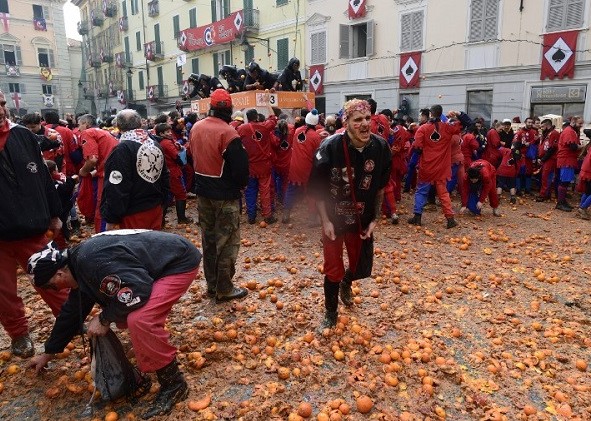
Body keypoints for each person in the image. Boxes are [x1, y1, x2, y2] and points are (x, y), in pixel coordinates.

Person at [26, 230, 201, 419]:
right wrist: (49, 352)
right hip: (157, 263)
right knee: (127, 315)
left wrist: (104, 319)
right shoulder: (78, 267)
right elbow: (71, 314)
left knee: (140, 319)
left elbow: (137, 291)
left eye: (50, 286)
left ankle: (174, 385)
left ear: (59, 274)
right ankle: (151, 348)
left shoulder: (91, 263)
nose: (53, 290)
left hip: (177, 263)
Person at [309, 99, 392, 329]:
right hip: (333, 219)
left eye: (367, 118)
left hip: (361, 219)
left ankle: (347, 283)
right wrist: (325, 221)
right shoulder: (329, 147)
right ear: (346, 123)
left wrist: (375, 218)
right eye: (358, 120)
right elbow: (318, 189)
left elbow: (380, 187)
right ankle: (331, 312)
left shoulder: (381, 147)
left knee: (361, 267)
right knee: (332, 268)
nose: (365, 124)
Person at [0, 90, 68, 357]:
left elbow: (42, 177)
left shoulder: (23, 135)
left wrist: (55, 213)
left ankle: (70, 321)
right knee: (4, 292)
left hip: (32, 228)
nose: (1, 110)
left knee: (53, 277)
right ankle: (19, 335)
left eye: (2, 104)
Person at [189, 89, 249, 302]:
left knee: (209, 240)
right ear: (229, 109)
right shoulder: (229, 133)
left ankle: (212, 285)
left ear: (211, 107)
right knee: (227, 242)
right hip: (224, 195)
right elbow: (241, 171)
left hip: (202, 192)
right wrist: (240, 186)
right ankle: (224, 288)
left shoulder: (196, 128)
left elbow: (191, 156)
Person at [101, 110, 170, 229]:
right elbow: (165, 176)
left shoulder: (122, 150)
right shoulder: (154, 143)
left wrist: (111, 218)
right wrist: (163, 202)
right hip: (155, 208)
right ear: (140, 123)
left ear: (118, 126)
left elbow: (117, 186)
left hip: (133, 212)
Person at [408, 105, 471, 228]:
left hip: (427, 166)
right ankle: (450, 219)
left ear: (430, 114)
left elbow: (417, 147)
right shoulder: (448, 128)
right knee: (443, 193)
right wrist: (458, 114)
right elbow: (468, 123)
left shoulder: (422, 129)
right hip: (442, 167)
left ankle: (417, 216)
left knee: (421, 191)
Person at [77, 114, 119, 232]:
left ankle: (102, 236)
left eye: (79, 125)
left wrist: (83, 171)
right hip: (115, 173)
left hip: (106, 176)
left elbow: (92, 159)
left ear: (85, 124)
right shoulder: (104, 132)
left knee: (102, 207)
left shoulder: (88, 133)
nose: (78, 128)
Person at [237, 108, 279, 224]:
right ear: (256, 117)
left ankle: (251, 216)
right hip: (264, 165)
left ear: (247, 118)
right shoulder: (265, 126)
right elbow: (273, 118)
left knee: (250, 191)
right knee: (265, 191)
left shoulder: (241, 128)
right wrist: (267, 104)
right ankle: (267, 216)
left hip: (250, 165)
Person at [282, 109, 323, 224]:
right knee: (311, 192)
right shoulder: (315, 136)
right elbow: (317, 153)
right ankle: (312, 218)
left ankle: (286, 214)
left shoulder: (297, 131)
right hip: (307, 168)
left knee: (291, 189)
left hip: (294, 166)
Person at [152, 123, 192, 225]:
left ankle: (161, 220)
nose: (170, 133)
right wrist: (182, 162)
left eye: (170, 131)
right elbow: (176, 156)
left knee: (167, 196)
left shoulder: (161, 141)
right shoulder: (166, 143)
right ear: (161, 134)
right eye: (167, 132)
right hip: (173, 171)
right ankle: (182, 218)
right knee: (181, 194)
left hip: (167, 171)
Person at [555, 116, 584, 211]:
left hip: (569, 159)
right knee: (564, 181)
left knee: (566, 181)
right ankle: (560, 203)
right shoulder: (569, 131)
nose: (581, 125)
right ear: (573, 122)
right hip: (566, 159)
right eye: (580, 123)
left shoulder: (573, 131)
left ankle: (562, 201)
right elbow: (573, 147)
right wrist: (582, 147)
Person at [535, 118, 560, 202]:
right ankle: (545, 194)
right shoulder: (545, 134)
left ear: (547, 125)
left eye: (542, 126)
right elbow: (542, 146)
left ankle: (544, 195)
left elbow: (552, 148)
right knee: (544, 177)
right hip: (544, 158)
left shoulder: (554, 133)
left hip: (550, 159)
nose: (541, 128)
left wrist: (543, 159)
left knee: (546, 177)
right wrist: (539, 157)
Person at [575, 129, 591, 219]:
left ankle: (581, 208)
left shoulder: (589, 145)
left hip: (586, 171)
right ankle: (583, 208)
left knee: (587, 191)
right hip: (589, 171)